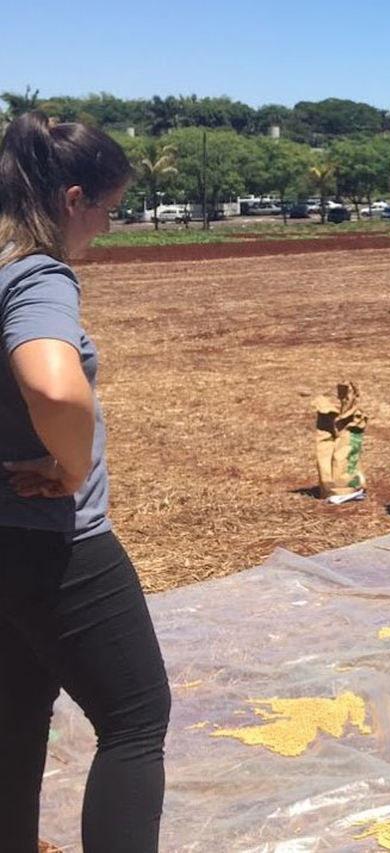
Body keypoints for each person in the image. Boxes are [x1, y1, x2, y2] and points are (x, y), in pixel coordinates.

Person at [0, 113, 171, 851]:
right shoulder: (37, 273)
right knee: (136, 717)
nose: (105, 228)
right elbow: (55, 385)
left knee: (15, 708)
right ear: (73, 199)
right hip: (53, 541)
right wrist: (70, 465)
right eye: (108, 210)